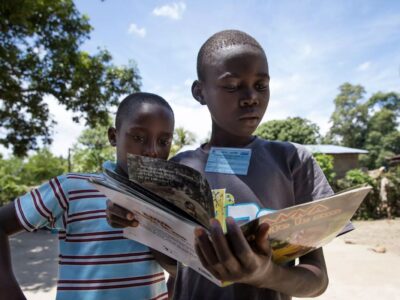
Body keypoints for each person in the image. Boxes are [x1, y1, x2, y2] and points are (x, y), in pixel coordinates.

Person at [107, 30, 332, 300]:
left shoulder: (293, 161)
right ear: (200, 92)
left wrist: (266, 274)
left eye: (261, 85)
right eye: (232, 85)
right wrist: (133, 219)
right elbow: (176, 267)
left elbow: (317, 280)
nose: (251, 97)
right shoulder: (178, 169)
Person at [0, 92, 176, 300]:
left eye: (163, 141)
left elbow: (183, 269)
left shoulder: (168, 201)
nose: (152, 151)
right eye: (138, 137)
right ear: (113, 136)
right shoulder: (72, 187)